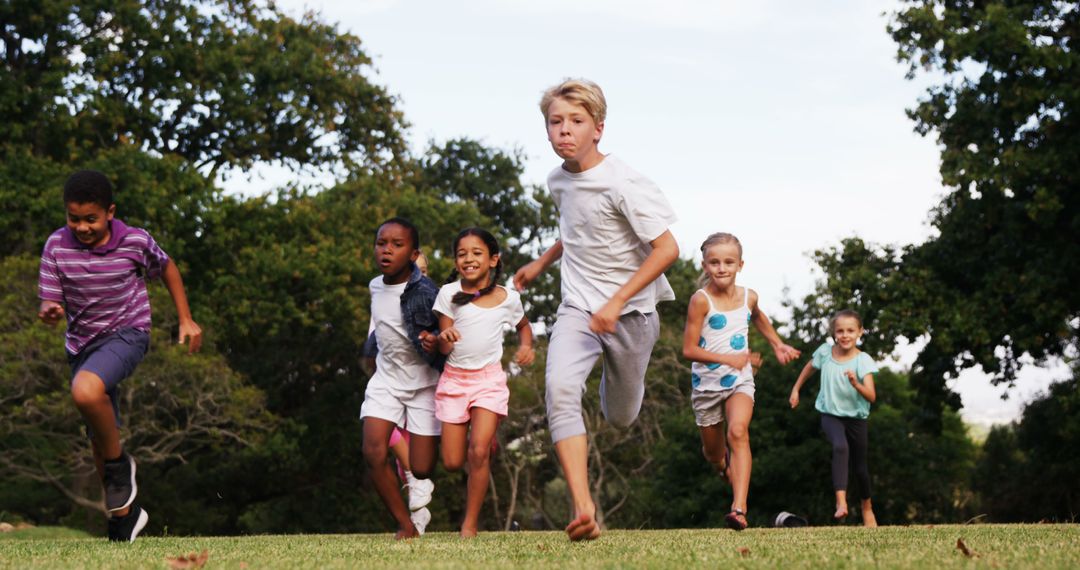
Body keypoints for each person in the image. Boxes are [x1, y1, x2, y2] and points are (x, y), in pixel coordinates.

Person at [513, 78, 680, 541]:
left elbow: (667, 249)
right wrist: (542, 262)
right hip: (579, 309)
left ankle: (618, 373)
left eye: (576, 121)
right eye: (555, 121)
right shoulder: (558, 181)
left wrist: (618, 301)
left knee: (620, 416)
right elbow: (578, 228)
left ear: (598, 129)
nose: (564, 130)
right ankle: (584, 508)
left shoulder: (625, 183)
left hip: (631, 317)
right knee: (560, 389)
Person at [37, 170, 203, 542]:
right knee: (100, 431)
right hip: (82, 345)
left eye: (90, 219)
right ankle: (123, 521)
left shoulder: (134, 241)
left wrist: (186, 319)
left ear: (109, 212)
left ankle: (119, 467)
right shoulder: (55, 247)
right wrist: (49, 309)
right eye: (73, 218)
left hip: (128, 333)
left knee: (84, 391)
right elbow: (50, 298)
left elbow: (167, 267)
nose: (82, 227)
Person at [681, 232, 801, 531]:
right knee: (713, 453)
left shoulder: (749, 296)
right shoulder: (700, 300)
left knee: (738, 432)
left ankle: (738, 509)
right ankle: (723, 467)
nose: (722, 268)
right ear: (705, 265)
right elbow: (689, 350)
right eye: (715, 262)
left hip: (739, 380)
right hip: (706, 385)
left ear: (740, 265)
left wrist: (777, 344)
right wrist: (727, 359)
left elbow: (758, 317)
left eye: (728, 262)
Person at [434, 228, 534, 537]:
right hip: (454, 381)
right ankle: (482, 438)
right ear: (456, 261)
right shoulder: (448, 294)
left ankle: (469, 525)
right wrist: (444, 338)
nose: (468, 259)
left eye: (476, 253)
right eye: (462, 254)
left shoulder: (508, 298)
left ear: (493, 260)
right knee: (452, 462)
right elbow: (443, 345)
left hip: (488, 381)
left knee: (477, 453)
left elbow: (524, 326)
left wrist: (526, 346)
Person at [360, 218, 442, 539]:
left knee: (421, 468)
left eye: (397, 245)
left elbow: (445, 328)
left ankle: (420, 484)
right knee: (373, 451)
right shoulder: (374, 286)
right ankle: (405, 525)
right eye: (382, 243)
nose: (387, 250)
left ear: (413, 253)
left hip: (424, 383)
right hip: (387, 380)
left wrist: (436, 339)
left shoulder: (426, 292)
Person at [789, 309, 879, 527]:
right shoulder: (825, 353)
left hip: (856, 419)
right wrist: (796, 389)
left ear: (859, 333)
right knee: (840, 447)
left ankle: (867, 508)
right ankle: (841, 503)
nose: (845, 335)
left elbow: (872, 395)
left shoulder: (863, 360)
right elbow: (809, 368)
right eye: (840, 331)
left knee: (860, 468)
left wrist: (856, 384)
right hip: (830, 414)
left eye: (850, 330)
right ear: (833, 333)